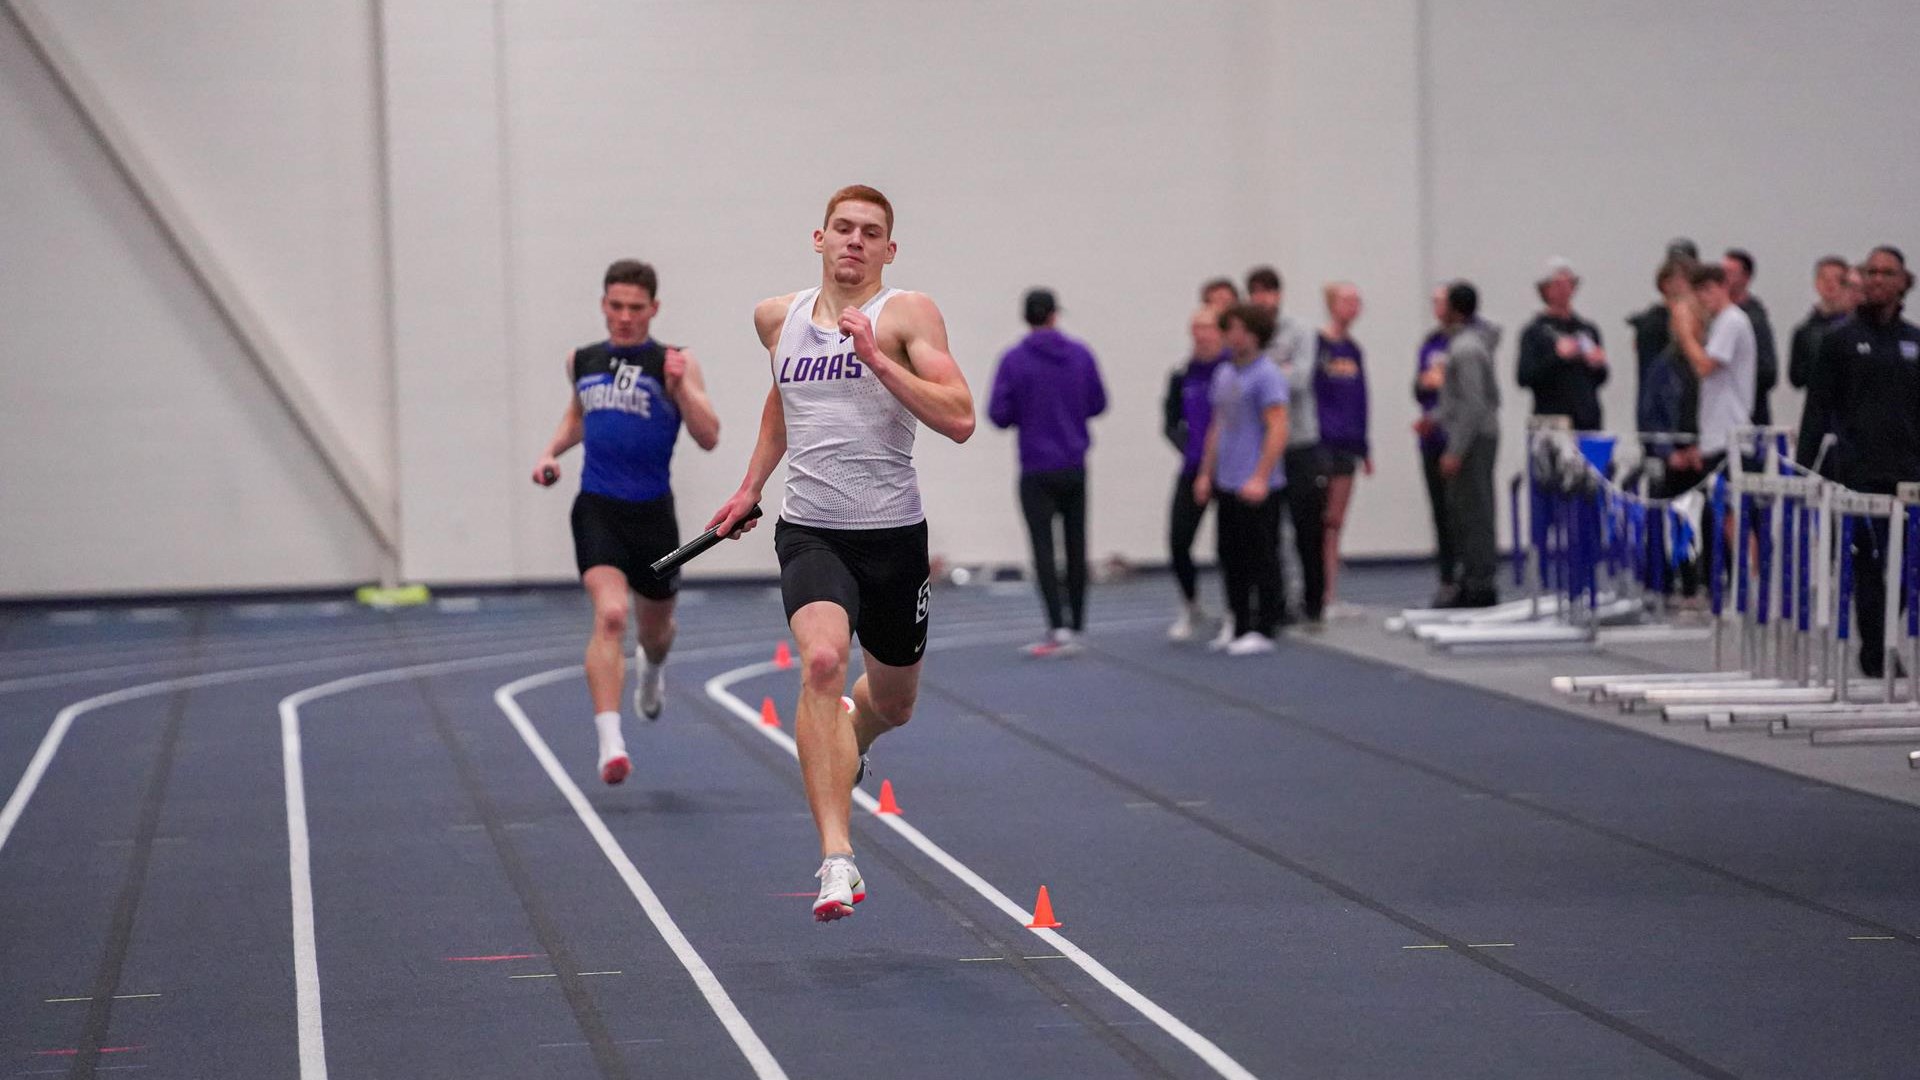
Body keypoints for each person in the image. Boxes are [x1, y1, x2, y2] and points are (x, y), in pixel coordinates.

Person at [706, 185, 975, 922]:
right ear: (818, 239)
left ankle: (848, 740)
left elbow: (961, 419)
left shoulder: (907, 316)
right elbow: (783, 401)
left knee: (893, 703)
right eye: (844, 229)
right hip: (812, 530)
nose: (855, 241)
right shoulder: (776, 318)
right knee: (822, 663)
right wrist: (749, 486)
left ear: (890, 250)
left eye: (872, 233)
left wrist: (879, 363)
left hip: (893, 539)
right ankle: (837, 858)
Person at [531, 259, 721, 785]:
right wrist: (551, 453)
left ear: (653, 310)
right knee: (612, 615)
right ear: (603, 305)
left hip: (655, 518)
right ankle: (611, 743)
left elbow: (709, 436)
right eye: (616, 306)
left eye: (636, 308)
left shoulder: (674, 362)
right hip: (598, 509)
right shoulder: (583, 360)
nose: (624, 317)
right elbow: (578, 417)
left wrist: (681, 390)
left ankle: (652, 673)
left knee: (655, 632)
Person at [1811, 246, 1920, 677]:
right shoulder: (1838, 342)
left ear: (1902, 282)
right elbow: (1817, 409)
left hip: (1910, 475)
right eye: (1870, 272)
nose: (1877, 280)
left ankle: (1880, 641)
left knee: (1910, 569)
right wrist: (1806, 468)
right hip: (1856, 473)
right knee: (1868, 570)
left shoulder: (1915, 341)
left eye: (1886, 273)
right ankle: (1875, 652)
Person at [988, 288, 1108, 657]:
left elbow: (998, 414)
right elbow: (1098, 402)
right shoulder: (1080, 354)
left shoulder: (1013, 360)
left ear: (1027, 318)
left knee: (1043, 547)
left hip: (1036, 465)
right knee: (1076, 543)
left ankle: (1056, 623)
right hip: (1073, 462)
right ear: (1055, 315)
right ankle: (1077, 621)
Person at [1195, 303, 1289, 654]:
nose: (1229, 336)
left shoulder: (1267, 375)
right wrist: (1206, 473)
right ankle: (1238, 621)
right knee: (1229, 555)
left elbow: (1278, 428)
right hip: (1228, 480)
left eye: (1234, 329)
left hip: (1257, 483)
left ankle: (1263, 627)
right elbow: (1218, 426)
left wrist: (1261, 476)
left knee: (1261, 556)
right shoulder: (1224, 374)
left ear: (1252, 333)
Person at [1246, 266, 1325, 631]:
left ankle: (1313, 602)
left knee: (1307, 527)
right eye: (1256, 292)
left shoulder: (1301, 330)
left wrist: (1264, 374)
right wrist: (1275, 370)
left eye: (1268, 291)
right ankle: (1274, 603)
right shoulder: (1248, 333)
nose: (1263, 299)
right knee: (1268, 530)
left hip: (1300, 441)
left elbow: (1301, 379)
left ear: (1279, 295)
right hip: (1263, 445)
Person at [1434, 282, 1502, 608]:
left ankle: (1480, 584)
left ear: (1455, 309)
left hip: (1474, 439)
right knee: (1467, 509)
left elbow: (1473, 405)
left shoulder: (1466, 349)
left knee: (1475, 511)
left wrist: (1454, 450)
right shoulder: (1465, 344)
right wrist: (1435, 418)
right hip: (1474, 435)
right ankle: (1474, 577)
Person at [1162, 306, 1228, 639]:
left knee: (1231, 545)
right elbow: (1169, 422)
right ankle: (1191, 605)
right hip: (1193, 467)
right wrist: (1191, 450)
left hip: (1230, 469)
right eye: (1196, 328)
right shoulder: (1182, 373)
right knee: (1177, 541)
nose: (1201, 334)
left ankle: (1236, 611)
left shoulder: (1232, 369)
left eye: (1208, 328)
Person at [1314, 282, 1371, 612]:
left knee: (1335, 520)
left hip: (1348, 444)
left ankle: (1330, 593)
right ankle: (1315, 589)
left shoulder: (1354, 350)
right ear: (1332, 304)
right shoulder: (1318, 345)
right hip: (1321, 442)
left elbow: (1361, 399)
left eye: (1357, 301)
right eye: (1347, 301)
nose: (1354, 307)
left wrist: (1366, 447)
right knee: (1318, 520)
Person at [1516, 257, 1607, 431]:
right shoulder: (1534, 332)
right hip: (1551, 420)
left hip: (1587, 420)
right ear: (1545, 289)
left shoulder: (1588, 329)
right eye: (1558, 285)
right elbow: (1524, 377)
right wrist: (1558, 357)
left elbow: (1601, 378)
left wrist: (1598, 364)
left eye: (1568, 283)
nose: (1564, 290)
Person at [1789, 254, 1857, 471]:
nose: (1830, 285)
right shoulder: (1805, 330)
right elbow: (1796, 377)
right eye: (1824, 279)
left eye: (1837, 279)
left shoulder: (1857, 331)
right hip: (1818, 414)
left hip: (1850, 418)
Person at [1413, 287, 1458, 605]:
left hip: (1458, 437)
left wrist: (1444, 381)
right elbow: (1419, 386)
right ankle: (1446, 576)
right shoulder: (1430, 342)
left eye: (1441, 301)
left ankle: (1468, 575)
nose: (1437, 307)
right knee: (1440, 511)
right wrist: (1423, 383)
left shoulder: (1468, 341)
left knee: (1462, 512)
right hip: (1431, 436)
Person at [1723, 248, 1779, 425]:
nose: (1723, 278)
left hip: (1749, 413)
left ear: (1746, 278)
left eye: (1730, 272)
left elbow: (1768, 372)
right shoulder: (1716, 316)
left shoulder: (1755, 320)